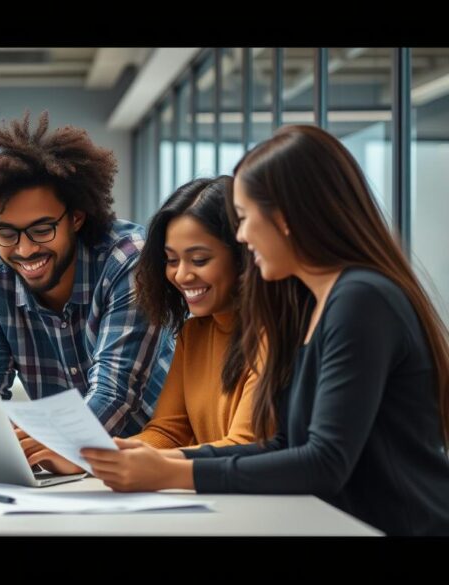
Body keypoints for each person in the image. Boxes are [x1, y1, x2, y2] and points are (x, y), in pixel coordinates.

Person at [81, 125, 449, 536]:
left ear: (286, 219)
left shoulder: (361, 299)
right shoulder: (326, 305)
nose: (241, 236)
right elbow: (284, 447)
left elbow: (323, 462)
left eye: (245, 218)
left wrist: (169, 474)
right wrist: (164, 462)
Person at [0, 110, 173, 474]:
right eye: (6, 233)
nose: (24, 250)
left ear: (77, 217)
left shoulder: (128, 263)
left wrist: (56, 444)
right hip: (65, 469)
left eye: (41, 229)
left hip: (156, 457)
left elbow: (114, 396)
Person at [128, 176, 259, 450]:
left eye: (199, 260)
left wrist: (136, 463)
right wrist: (93, 457)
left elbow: (244, 446)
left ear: (242, 255)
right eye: (172, 260)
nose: (182, 275)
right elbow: (167, 432)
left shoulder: (271, 333)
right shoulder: (194, 333)